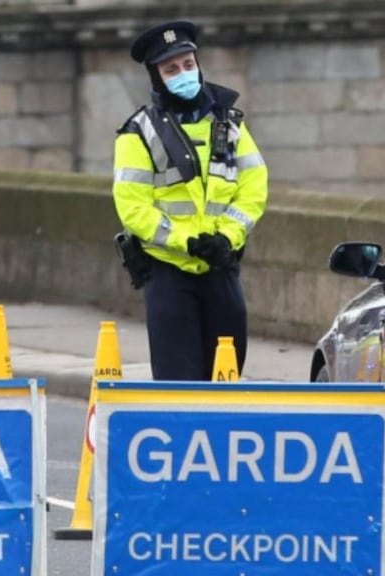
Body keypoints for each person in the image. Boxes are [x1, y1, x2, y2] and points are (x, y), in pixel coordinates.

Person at [113, 20, 268, 381]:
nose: (184, 74)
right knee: (178, 385)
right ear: (156, 77)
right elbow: (133, 208)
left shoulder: (228, 123)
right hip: (169, 274)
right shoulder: (138, 133)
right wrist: (187, 241)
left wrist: (227, 237)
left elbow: (254, 184)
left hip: (220, 267)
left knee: (227, 378)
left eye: (188, 65)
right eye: (171, 69)